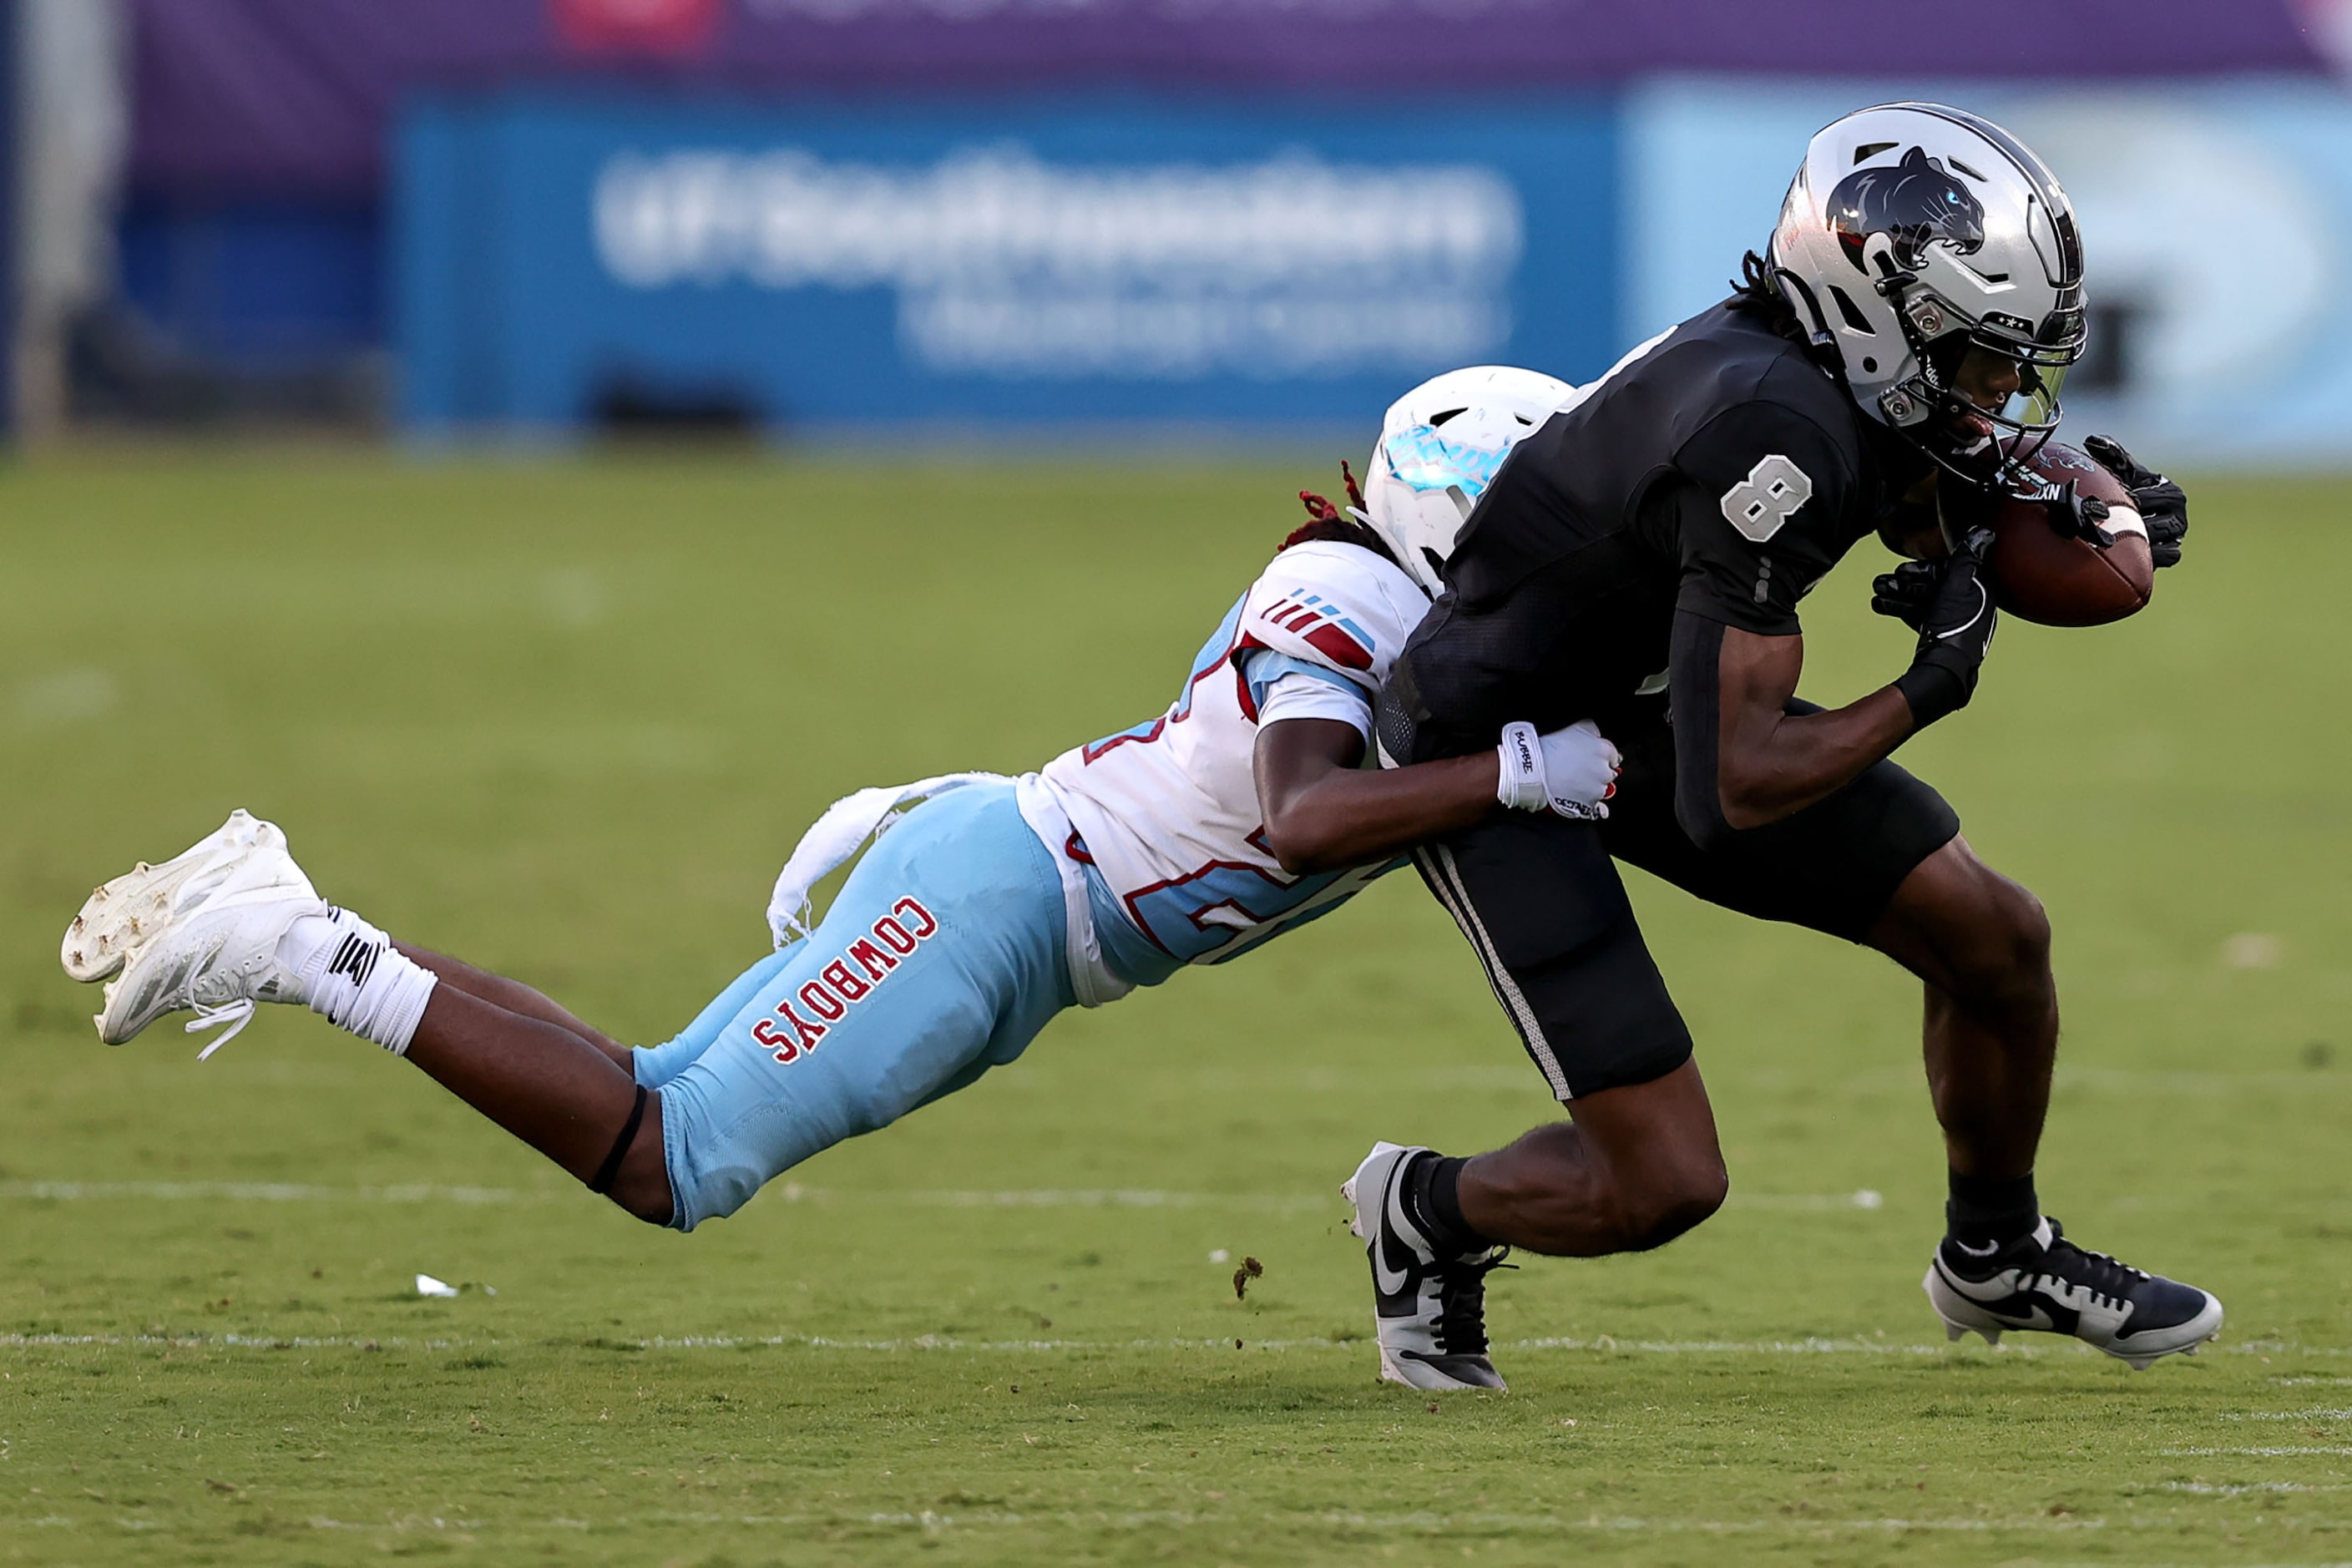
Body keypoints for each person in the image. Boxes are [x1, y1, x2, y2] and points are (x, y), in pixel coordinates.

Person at [58, 368, 1622, 1237]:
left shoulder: (1391, 594)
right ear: (1444, 517)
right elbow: (1297, 818)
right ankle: (293, 947)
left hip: (1018, 892)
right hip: (1004, 905)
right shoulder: (1348, 592)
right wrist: (1514, 774)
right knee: (674, 1157)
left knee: (652, 1074)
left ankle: (289, 904)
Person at [1347, 102, 2212, 1393]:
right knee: (1662, 1182)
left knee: (1995, 936)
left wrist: (2062, 505)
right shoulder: (1772, 431)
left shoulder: (1826, 378)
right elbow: (1734, 789)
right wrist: (1933, 679)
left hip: (1645, 701)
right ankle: (1424, 1209)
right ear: (1878, 311)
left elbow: (1921, 495)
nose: (1996, 396)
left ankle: (1996, 1248)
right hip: (1494, 752)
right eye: (1977, 362)